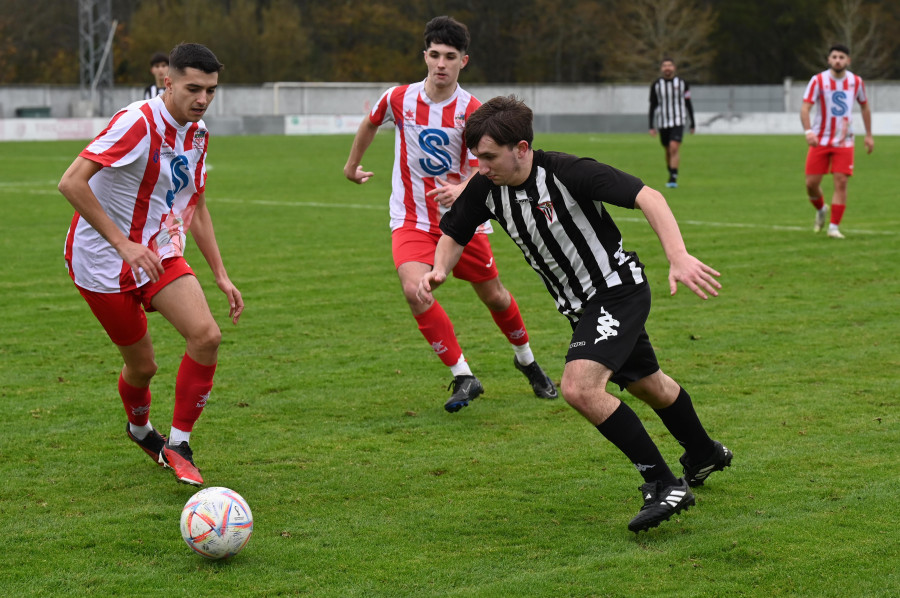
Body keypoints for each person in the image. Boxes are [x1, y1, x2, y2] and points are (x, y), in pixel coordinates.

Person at [418, 96, 733, 533]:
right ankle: (703, 453)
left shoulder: (568, 171)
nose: (482, 166)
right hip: (580, 307)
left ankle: (662, 483)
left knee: (580, 388)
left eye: (489, 156)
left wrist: (677, 255)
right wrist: (438, 269)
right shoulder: (487, 187)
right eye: (477, 157)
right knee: (650, 386)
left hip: (617, 291)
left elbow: (649, 196)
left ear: (522, 148)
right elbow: (455, 230)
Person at [343, 16, 556, 413]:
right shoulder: (398, 98)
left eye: (450, 57)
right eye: (435, 55)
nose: (441, 64)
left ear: (464, 61)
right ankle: (463, 375)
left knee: (494, 295)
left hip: (465, 221)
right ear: (425, 55)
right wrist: (352, 165)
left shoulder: (473, 110)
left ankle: (526, 360)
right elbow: (370, 123)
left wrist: (462, 189)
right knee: (415, 290)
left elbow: (487, 161)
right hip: (410, 217)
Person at [58, 43, 242, 487]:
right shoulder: (138, 122)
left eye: (211, 91)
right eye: (193, 88)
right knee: (143, 368)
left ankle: (178, 444)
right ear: (168, 81)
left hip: (157, 253)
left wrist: (220, 273)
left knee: (207, 335)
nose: (202, 99)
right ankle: (140, 429)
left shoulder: (197, 135)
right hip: (102, 262)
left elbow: (194, 205)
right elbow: (71, 182)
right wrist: (122, 244)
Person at [801, 43, 873, 240]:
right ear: (829, 60)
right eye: (834, 57)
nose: (838, 60)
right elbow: (805, 107)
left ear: (848, 60)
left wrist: (868, 134)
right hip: (820, 139)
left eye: (842, 57)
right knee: (811, 184)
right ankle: (821, 208)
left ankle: (834, 227)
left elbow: (865, 107)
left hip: (844, 140)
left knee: (841, 182)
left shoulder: (856, 82)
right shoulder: (818, 81)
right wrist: (808, 131)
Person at [649, 58, 695, 189]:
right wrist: (651, 125)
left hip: (678, 119)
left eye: (669, 65)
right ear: (661, 68)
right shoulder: (656, 85)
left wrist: (693, 123)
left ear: (674, 68)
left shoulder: (682, 83)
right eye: (664, 66)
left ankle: (673, 176)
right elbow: (652, 105)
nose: (667, 68)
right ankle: (671, 169)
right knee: (667, 150)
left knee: (674, 147)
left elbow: (688, 102)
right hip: (663, 121)